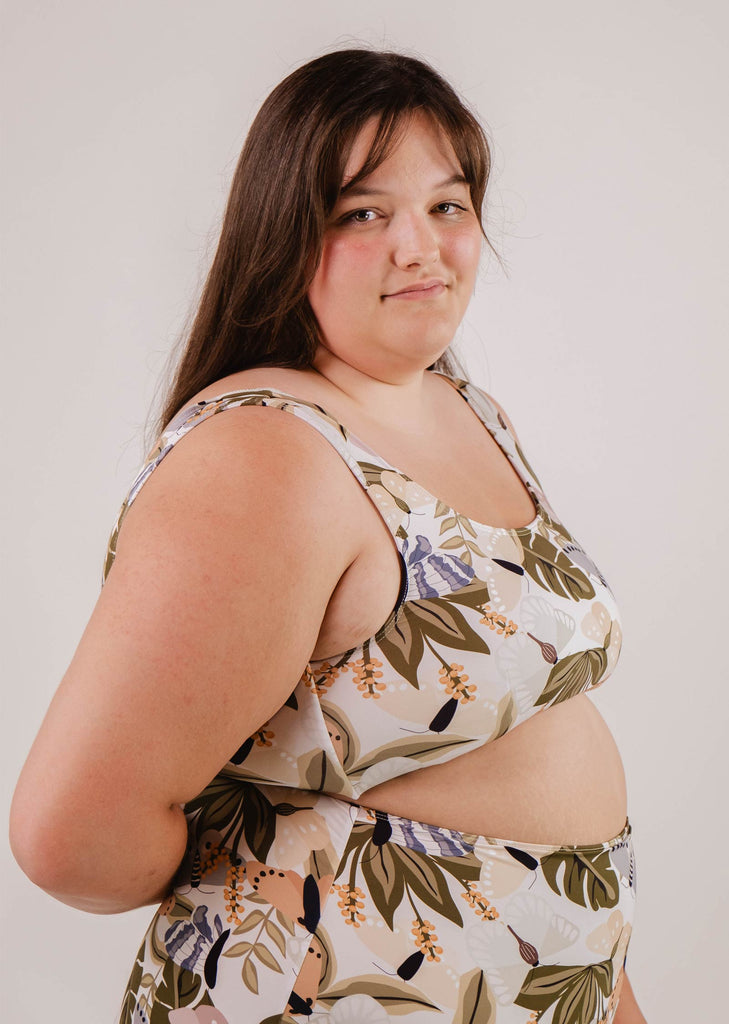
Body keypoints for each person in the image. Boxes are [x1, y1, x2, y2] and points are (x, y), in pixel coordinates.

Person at [9, 48, 647, 1024]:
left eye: (448, 204)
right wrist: (294, 877)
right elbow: (70, 833)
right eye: (363, 212)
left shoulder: (466, 407)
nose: (420, 247)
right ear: (285, 230)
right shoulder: (264, 455)